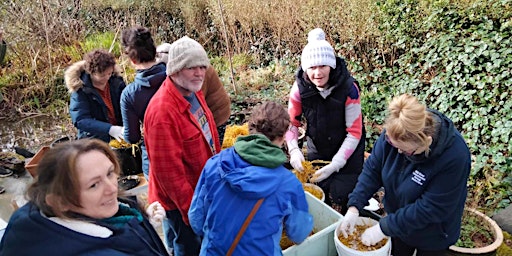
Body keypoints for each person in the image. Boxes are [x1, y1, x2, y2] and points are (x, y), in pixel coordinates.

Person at [340, 94, 471, 256]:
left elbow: (431, 208)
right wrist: (355, 205)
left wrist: (384, 227)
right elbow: (373, 169)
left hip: (434, 232)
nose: (399, 152)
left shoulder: (454, 157)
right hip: (398, 221)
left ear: (426, 142)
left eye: (405, 150)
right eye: (394, 146)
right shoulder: (395, 132)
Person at [0, 139, 168, 255]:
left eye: (110, 173)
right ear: (60, 201)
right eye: (94, 185)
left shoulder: (32, 218)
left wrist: (144, 221)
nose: (112, 188)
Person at [189, 101, 313, 255]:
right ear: (282, 138)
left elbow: (196, 220)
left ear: (249, 129)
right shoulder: (288, 184)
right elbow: (299, 233)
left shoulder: (215, 164)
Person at [144, 36, 221, 256]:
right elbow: (170, 176)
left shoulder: (194, 91)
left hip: (202, 187)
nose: (199, 73)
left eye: (202, 66)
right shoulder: (162, 113)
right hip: (181, 203)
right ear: (175, 70)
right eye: (191, 67)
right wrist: (193, 214)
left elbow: (209, 131)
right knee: (188, 246)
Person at [286, 28, 365, 214]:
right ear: (306, 69)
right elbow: (292, 123)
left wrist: (337, 163)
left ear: (332, 65)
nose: (318, 73)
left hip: (349, 148)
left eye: (323, 66)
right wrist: (294, 150)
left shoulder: (349, 89)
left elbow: (354, 132)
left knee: (342, 193)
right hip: (319, 145)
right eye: (312, 67)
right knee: (319, 189)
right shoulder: (298, 90)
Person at [156, 42, 231, 145]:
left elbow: (196, 100)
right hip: (208, 115)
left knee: (213, 143)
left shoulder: (197, 76)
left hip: (217, 113)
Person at [120, 26, 166, 179]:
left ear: (132, 60)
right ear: (155, 52)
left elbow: (132, 137)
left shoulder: (129, 95)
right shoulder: (177, 78)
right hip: (187, 152)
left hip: (155, 162)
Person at [65, 49, 126, 143]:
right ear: (91, 73)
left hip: (121, 133)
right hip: (93, 139)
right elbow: (81, 120)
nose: (107, 77)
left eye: (109, 73)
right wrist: (109, 129)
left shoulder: (116, 82)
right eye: (102, 76)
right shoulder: (80, 89)